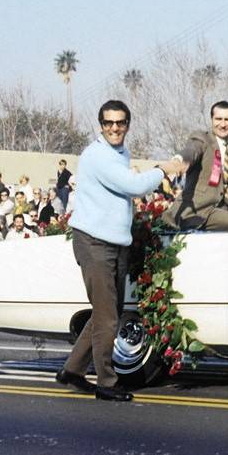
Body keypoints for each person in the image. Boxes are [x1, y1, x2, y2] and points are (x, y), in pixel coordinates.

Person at [60, 100, 186, 402]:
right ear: (100, 125)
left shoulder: (119, 152)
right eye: (108, 123)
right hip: (94, 243)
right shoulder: (98, 155)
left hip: (113, 243)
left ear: (128, 124)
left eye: (120, 123)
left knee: (108, 313)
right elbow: (133, 186)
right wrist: (163, 169)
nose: (114, 128)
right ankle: (107, 381)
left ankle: (72, 371)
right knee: (107, 319)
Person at [163, 101, 228, 233]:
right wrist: (179, 161)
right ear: (212, 119)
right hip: (199, 211)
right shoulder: (202, 139)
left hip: (226, 213)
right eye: (218, 119)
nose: (223, 124)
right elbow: (191, 150)